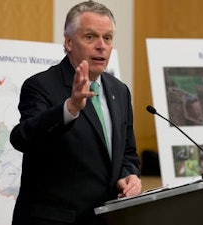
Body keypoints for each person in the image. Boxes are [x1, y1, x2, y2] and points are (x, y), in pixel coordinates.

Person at [10, 1, 142, 225]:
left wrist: (128, 175)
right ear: (69, 42)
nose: (101, 46)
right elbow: (22, 138)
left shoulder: (119, 91)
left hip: (106, 218)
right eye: (90, 37)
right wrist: (69, 108)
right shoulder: (40, 86)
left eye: (107, 38)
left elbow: (127, 152)